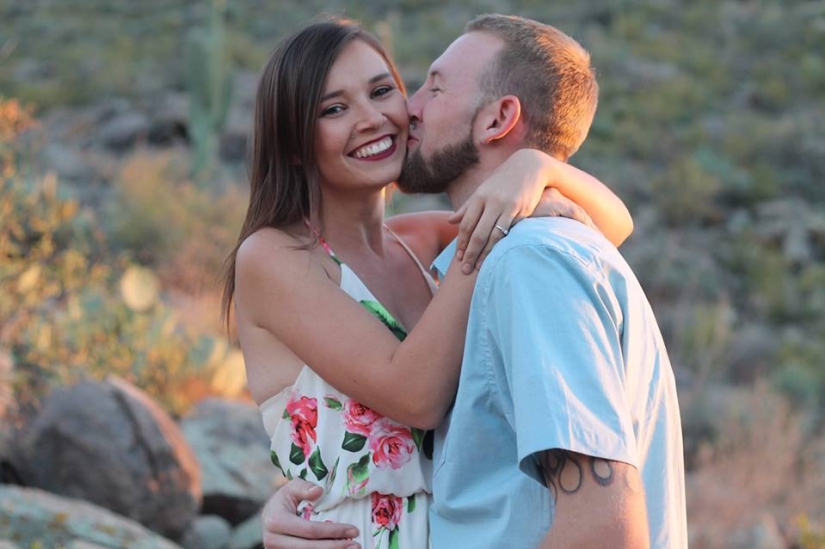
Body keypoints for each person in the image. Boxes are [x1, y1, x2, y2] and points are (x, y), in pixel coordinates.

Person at [261, 14, 688, 549]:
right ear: (296, 138)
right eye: (334, 108)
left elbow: (617, 222)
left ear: (497, 120)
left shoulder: (489, 253)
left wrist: (536, 169)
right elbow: (410, 398)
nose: (400, 111)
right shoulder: (283, 256)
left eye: (390, 90)